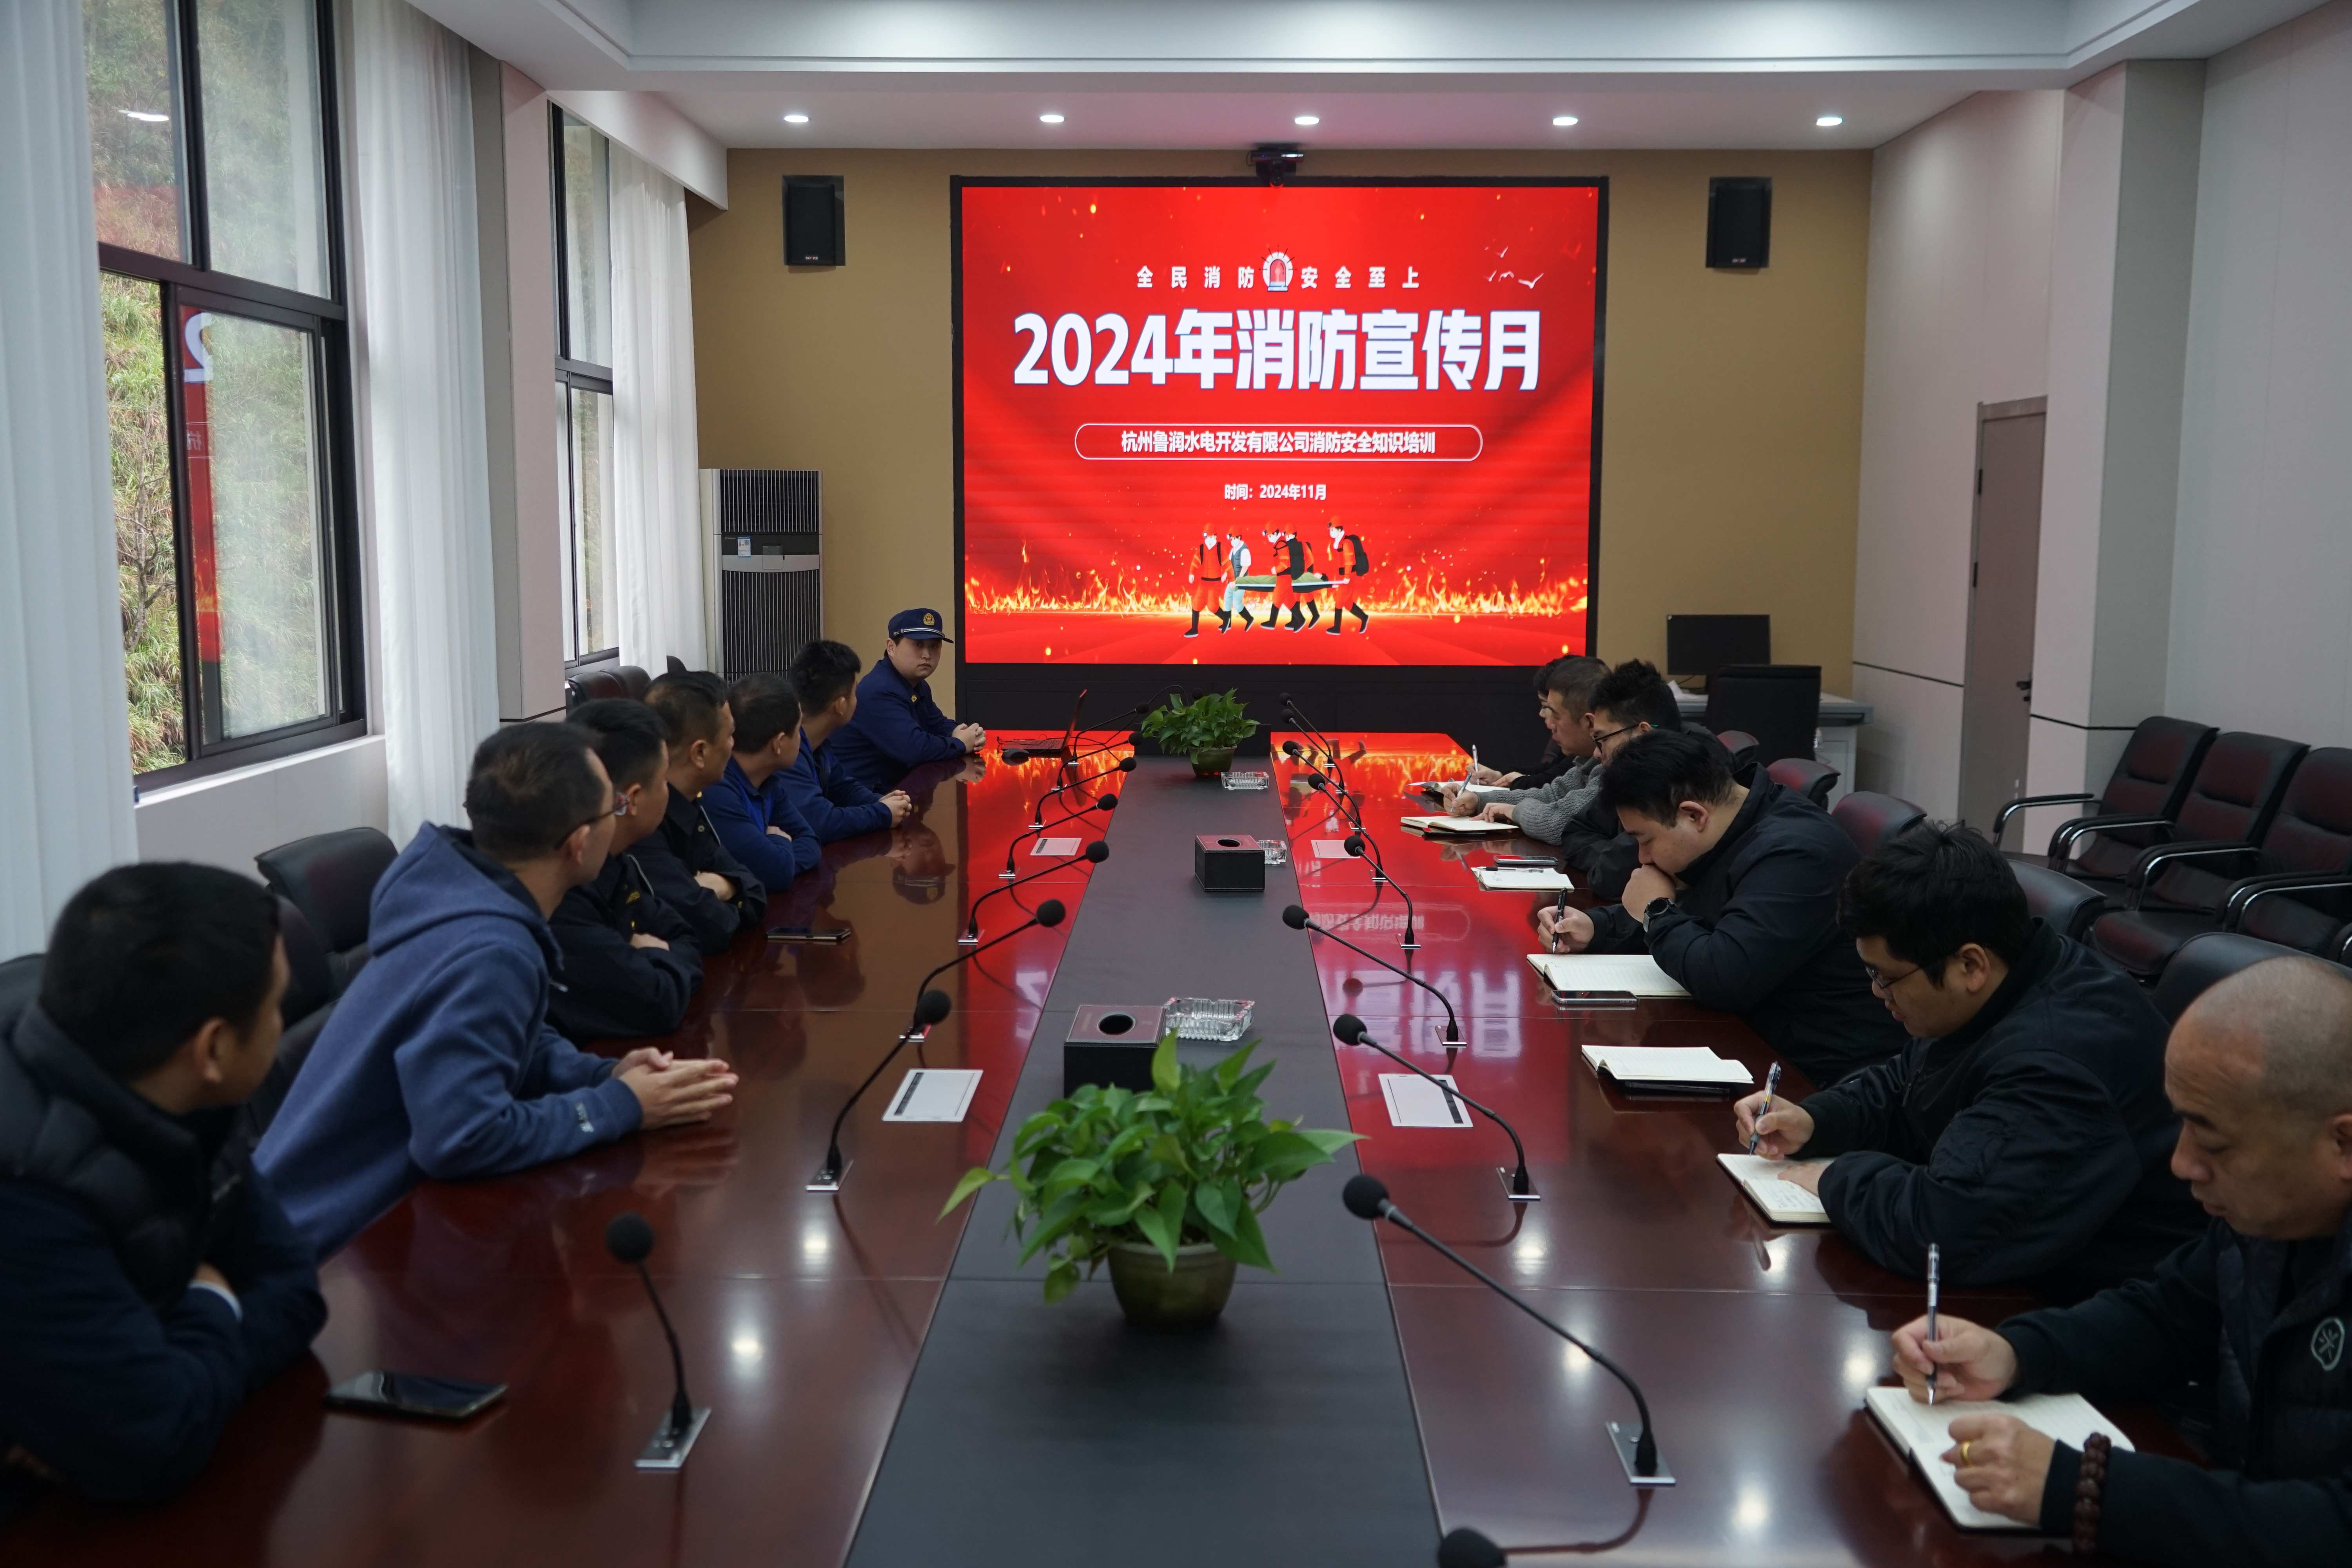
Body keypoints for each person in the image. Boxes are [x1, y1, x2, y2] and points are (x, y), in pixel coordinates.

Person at [1887, 958, 2352, 1564]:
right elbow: (2166, 1316)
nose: (2182, 1164)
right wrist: (2016, 1354)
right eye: (2181, 1124)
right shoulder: (2266, 1218)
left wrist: (2088, 1488)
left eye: (2213, 1141)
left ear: (2343, 1144)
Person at [256, 724, 737, 1258]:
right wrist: (618, 1105)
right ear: (579, 844)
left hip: (337, 1221)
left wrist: (601, 1074)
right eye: (614, 808)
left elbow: (517, 1037)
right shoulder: (492, 950)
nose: (621, 817)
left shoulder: (458, 887)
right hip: (325, 1249)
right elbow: (462, 1138)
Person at [1735, 821, 2202, 1299]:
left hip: (2084, 1304)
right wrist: (1818, 1120)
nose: (1876, 992)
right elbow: (1910, 1082)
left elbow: (1944, 1231)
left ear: (1970, 965)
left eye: (1886, 976)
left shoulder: (2058, 1063)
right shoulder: (2009, 977)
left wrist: (1836, 1178)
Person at [0, 866, 325, 1517]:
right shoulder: (27, 1194)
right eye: (275, 1008)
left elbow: (294, 1291)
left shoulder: (187, 1097)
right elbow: (153, 1446)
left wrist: (164, 1372)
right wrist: (213, 1297)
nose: (281, 1023)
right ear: (214, 1049)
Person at [1544, 728, 1905, 1085]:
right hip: (1751, 1035)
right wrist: (1597, 928)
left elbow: (1722, 977)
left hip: (1810, 1073)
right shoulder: (1733, 827)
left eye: (1646, 840)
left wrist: (1656, 910)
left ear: (1693, 816)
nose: (1642, 857)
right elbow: (1696, 914)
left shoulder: (1796, 853)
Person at [547, 700, 703, 1041]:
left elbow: (688, 937)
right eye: (664, 780)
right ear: (631, 799)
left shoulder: (614, 862)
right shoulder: (563, 888)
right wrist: (657, 953)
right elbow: (657, 1003)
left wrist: (650, 957)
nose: (669, 792)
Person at [641, 670, 767, 951]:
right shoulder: (644, 823)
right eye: (731, 735)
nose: (734, 744)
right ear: (699, 753)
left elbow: (756, 891)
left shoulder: (689, 804)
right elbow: (711, 926)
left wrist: (724, 885)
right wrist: (730, 891)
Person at [1446, 655, 1607, 839]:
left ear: (1589, 722)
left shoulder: (1613, 766)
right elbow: (1552, 795)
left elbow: (1558, 823)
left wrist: (1514, 812)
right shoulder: (1587, 760)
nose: (1549, 724)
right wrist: (1477, 801)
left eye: (1555, 715)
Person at [830, 609, 986, 791]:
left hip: (898, 790)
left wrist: (963, 733)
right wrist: (960, 744)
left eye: (934, 646)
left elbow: (936, 723)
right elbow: (914, 750)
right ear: (891, 647)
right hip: (865, 796)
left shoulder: (916, 684)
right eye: (918, 645)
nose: (927, 654)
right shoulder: (880, 690)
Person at [779, 639, 913, 843]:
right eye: (855, 692)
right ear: (840, 706)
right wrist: (882, 813)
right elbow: (821, 822)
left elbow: (843, 788)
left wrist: (881, 802)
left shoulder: (819, 742)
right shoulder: (786, 749)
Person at [703, 671, 822, 892]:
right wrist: (780, 845)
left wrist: (777, 860)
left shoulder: (768, 783)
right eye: (798, 731)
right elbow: (775, 873)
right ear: (779, 743)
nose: (802, 738)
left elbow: (810, 841)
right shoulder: (718, 790)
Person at [1324, 521, 1373, 635]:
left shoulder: (1346, 543)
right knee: (1348, 604)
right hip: (1344, 577)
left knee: (1339, 602)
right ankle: (1364, 617)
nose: (1331, 532)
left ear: (1339, 530)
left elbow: (1349, 562)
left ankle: (1337, 628)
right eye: (1330, 530)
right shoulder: (1340, 543)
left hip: (1348, 578)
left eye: (1333, 530)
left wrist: (1347, 577)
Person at [1185, 532, 1230, 637]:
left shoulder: (1220, 548)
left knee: (1213, 607)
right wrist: (1192, 573)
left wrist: (1227, 574)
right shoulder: (1202, 549)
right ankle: (1194, 629)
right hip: (1204, 582)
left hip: (1215, 583)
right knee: (1196, 604)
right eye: (1207, 537)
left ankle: (1227, 620)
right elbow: (1195, 561)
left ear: (1215, 537)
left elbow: (1227, 563)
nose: (1209, 539)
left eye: (1210, 537)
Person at [1223, 531, 1254, 629]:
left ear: (1239, 538)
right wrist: (1225, 574)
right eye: (1231, 539)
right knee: (1227, 599)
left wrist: (1239, 580)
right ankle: (1228, 623)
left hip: (1241, 581)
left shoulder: (1244, 550)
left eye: (1234, 539)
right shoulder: (1233, 550)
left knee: (1237, 603)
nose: (1232, 541)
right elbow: (1229, 564)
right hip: (1232, 580)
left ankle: (1250, 619)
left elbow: (1246, 566)